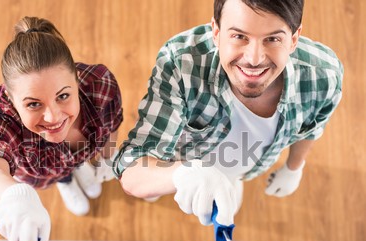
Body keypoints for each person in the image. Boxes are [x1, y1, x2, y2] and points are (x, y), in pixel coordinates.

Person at [114, 0, 343, 228]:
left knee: (226, 197)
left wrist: (294, 168)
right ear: (216, 32)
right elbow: (133, 165)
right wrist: (179, 176)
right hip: (176, 161)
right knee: (152, 189)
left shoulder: (323, 76)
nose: (254, 59)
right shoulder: (181, 62)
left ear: (294, 39)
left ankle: (231, 179)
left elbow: (312, 127)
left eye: (272, 39)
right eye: (239, 36)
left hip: (243, 169)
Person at [0, 17, 122, 241]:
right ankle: (66, 180)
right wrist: (14, 198)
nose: (53, 117)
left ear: (77, 80)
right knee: (61, 173)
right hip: (45, 172)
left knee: (79, 162)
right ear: (11, 99)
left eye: (63, 96)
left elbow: (113, 124)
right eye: (33, 104)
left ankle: (80, 166)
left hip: (86, 154)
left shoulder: (101, 84)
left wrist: (108, 157)